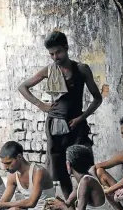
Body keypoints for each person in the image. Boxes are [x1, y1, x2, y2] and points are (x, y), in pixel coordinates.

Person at [18, 31, 103, 200]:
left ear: (66, 48)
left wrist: (81, 117)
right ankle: (70, 204)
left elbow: (97, 99)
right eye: (51, 54)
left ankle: (90, 203)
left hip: (76, 126)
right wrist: (41, 105)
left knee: (83, 166)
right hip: (55, 127)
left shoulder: (81, 69)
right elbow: (23, 87)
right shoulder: (49, 71)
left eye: (58, 52)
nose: (55, 57)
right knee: (61, 170)